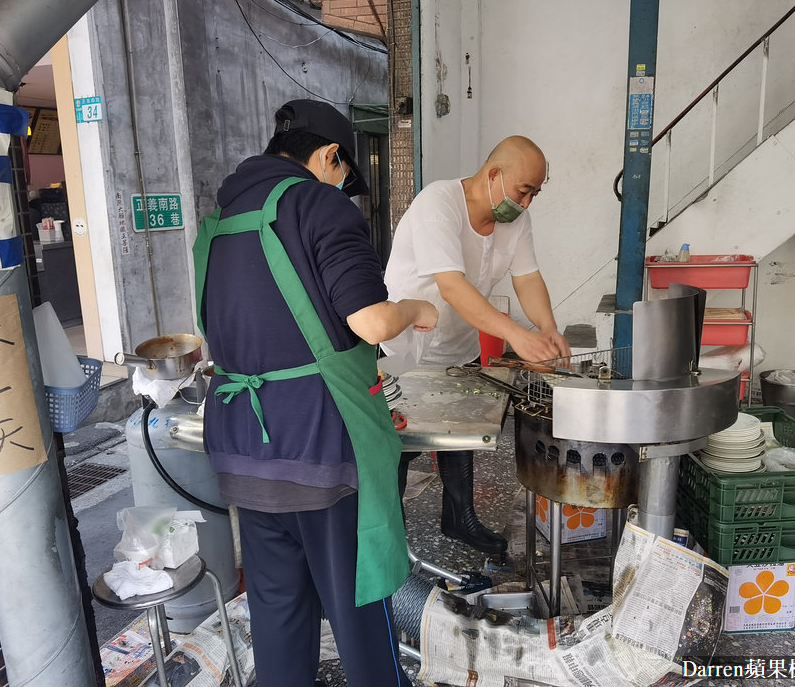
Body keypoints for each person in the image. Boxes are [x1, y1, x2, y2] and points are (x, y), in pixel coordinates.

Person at [193, 99, 437, 687]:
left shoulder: (218, 221)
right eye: (344, 175)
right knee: (360, 610)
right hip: (323, 453)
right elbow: (371, 324)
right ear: (329, 155)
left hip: (245, 448)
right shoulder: (318, 206)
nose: (342, 187)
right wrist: (416, 307)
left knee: (278, 611)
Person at [382, 135, 570, 555]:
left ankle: (459, 517)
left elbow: (527, 277)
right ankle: (389, 529)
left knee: (460, 433)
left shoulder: (515, 221)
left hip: (457, 345)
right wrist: (516, 335)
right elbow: (452, 287)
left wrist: (547, 327)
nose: (527, 203)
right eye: (524, 191)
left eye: (535, 194)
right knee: (397, 441)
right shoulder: (439, 203)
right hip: (406, 347)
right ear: (494, 175)